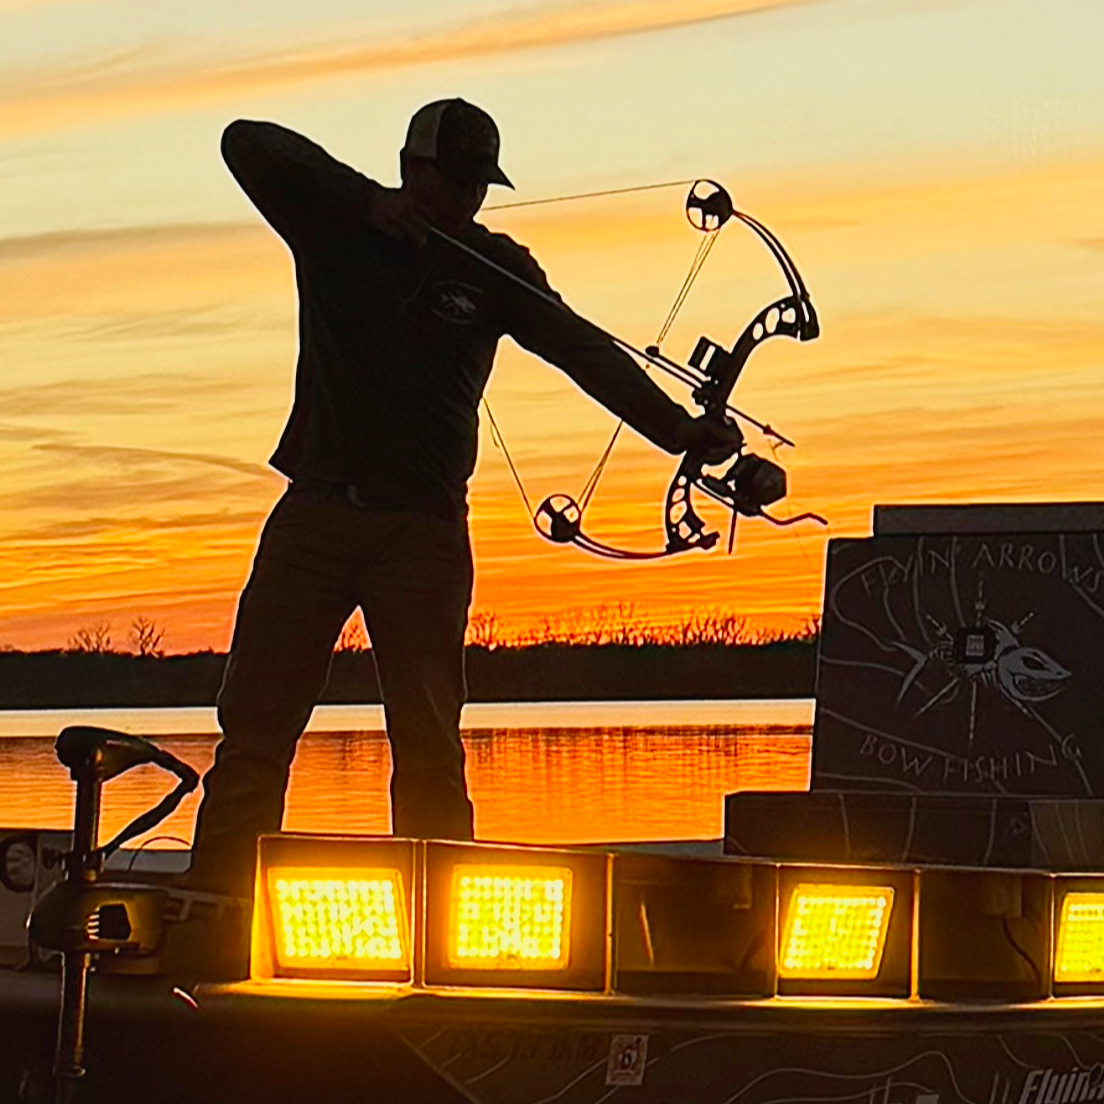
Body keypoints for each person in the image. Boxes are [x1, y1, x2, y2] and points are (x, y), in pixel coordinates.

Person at [188, 96, 735, 891]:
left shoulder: (496, 268)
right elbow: (246, 142)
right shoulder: (335, 227)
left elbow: (585, 350)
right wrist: (368, 203)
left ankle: (437, 936)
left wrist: (680, 431)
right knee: (254, 734)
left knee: (429, 743)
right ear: (414, 169)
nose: (467, 198)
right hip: (316, 512)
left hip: (423, 533)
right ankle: (215, 913)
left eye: (479, 184)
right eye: (452, 180)